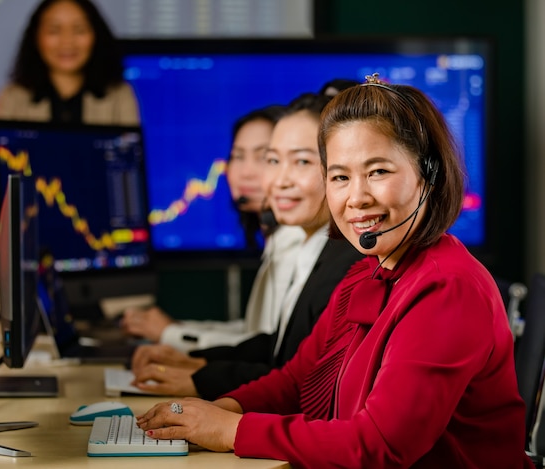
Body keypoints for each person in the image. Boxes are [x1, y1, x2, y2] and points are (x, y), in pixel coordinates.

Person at [135, 74, 532, 468]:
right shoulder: (366, 273)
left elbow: (380, 446)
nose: (356, 197)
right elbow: (296, 380)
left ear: (428, 175)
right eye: (340, 177)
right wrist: (212, 412)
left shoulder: (447, 288)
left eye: (378, 171)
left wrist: (230, 431)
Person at [129, 94, 363, 399]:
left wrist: (204, 383)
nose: (278, 179)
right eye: (274, 160)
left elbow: (303, 383)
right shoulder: (315, 249)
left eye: (302, 161)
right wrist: (200, 363)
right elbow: (279, 349)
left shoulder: (349, 265)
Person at [121, 105, 308, 352]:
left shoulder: (297, 241)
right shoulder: (278, 239)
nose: (245, 172)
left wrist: (171, 333)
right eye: (238, 156)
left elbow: (269, 349)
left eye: (265, 157)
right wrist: (177, 328)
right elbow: (255, 332)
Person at [0, 0, 139, 129]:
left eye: (79, 30)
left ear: (96, 36)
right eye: (54, 31)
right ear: (36, 37)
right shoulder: (13, 98)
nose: (67, 41)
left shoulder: (120, 96)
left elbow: (130, 160)